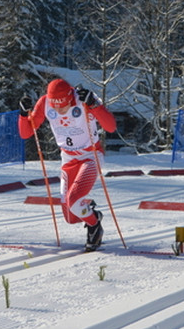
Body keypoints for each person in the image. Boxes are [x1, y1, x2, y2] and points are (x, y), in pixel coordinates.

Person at [18, 79, 116, 251]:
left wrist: (94, 106)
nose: (58, 111)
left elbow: (111, 127)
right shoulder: (45, 102)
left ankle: (94, 228)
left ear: (70, 97)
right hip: (68, 159)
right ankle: (93, 214)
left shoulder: (84, 99)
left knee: (74, 199)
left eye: (63, 106)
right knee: (70, 217)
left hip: (90, 156)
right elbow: (26, 133)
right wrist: (23, 115)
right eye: (55, 106)